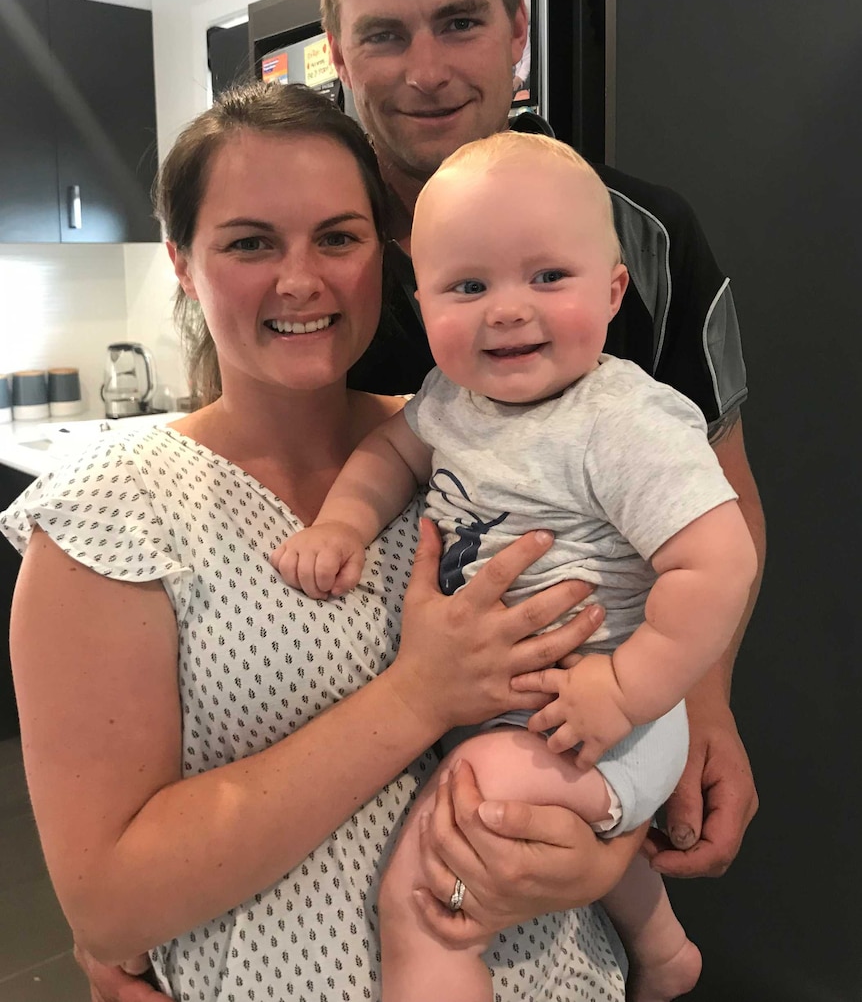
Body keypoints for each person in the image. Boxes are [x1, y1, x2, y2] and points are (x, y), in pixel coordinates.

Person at [74, 0, 766, 995]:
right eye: (386, 34)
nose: (427, 69)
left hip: (564, 732)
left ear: (516, 32)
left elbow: (721, 496)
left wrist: (703, 708)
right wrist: (127, 924)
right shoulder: (322, 247)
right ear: (339, 54)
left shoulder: (635, 235)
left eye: (459, 21)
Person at [1, 82, 651, 1002]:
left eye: (337, 237)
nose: (300, 279)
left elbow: (616, 675)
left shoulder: (477, 445)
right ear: (183, 261)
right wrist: (418, 698)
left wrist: (603, 856)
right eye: (250, 242)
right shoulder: (114, 510)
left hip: (569, 972)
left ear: (385, 257)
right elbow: (108, 903)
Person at [273, 131, 758, 1002]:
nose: (506, 308)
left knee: (424, 879)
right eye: (468, 285)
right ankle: (662, 945)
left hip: (607, 721)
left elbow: (721, 560)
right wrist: (345, 521)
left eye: (547, 278)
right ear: (421, 304)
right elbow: (393, 455)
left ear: (613, 292)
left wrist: (622, 689)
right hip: (512, 710)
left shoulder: (624, 420)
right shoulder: (451, 402)